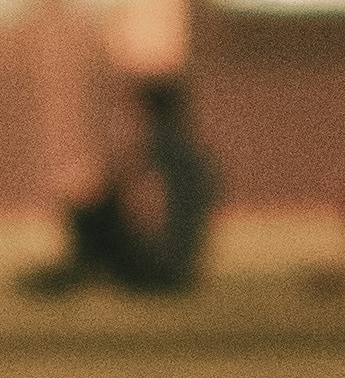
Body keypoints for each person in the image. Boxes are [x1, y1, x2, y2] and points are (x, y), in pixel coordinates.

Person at [20, 70, 220, 296]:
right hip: (179, 268)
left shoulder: (160, 144)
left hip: (160, 269)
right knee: (98, 207)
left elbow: (113, 187)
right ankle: (76, 272)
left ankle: (77, 272)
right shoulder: (192, 153)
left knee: (91, 210)